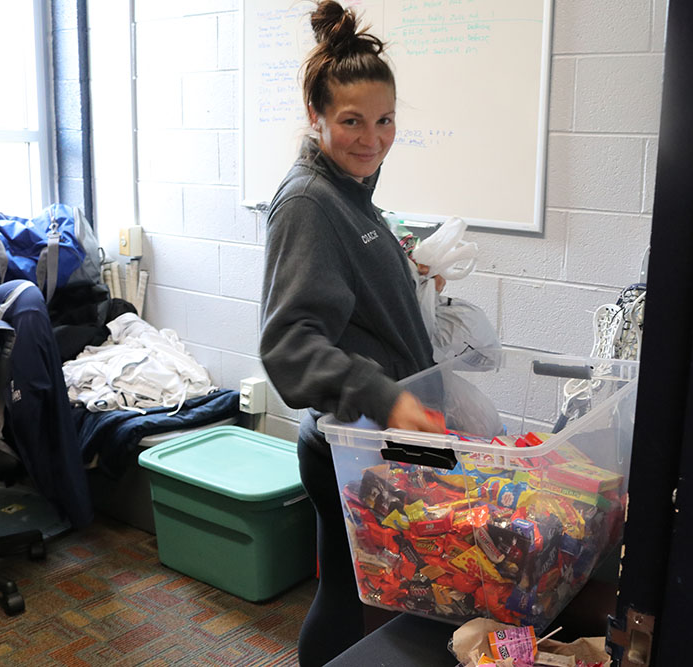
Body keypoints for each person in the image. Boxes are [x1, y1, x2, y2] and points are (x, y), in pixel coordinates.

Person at [258, 2, 444, 665]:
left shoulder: (352, 190)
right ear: (317, 118)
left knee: (390, 591)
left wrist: (409, 278)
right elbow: (290, 343)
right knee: (349, 592)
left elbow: (350, 302)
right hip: (349, 440)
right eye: (352, 122)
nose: (373, 137)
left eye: (385, 119)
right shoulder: (309, 200)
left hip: (382, 436)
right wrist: (384, 393)